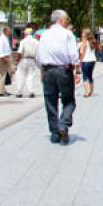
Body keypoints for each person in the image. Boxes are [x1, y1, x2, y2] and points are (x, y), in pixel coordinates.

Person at [35, 10, 80, 145]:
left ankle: (55, 133)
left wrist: (42, 69)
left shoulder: (45, 35)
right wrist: (77, 70)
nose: (66, 22)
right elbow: (73, 54)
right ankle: (63, 124)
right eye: (66, 20)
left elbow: (38, 55)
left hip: (48, 70)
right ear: (61, 20)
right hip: (63, 70)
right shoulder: (67, 34)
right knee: (68, 100)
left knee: (50, 101)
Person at [14, 27, 39, 98]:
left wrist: (17, 62)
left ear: (26, 34)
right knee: (31, 76)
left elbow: (19, 52)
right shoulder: (36, 42)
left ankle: (19, 92)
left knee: (20, 75)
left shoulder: (23, 41)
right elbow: (38, 53)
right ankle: (31, 91)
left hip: (24, 59)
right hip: (32, 60)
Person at [79, 29, 98, 97]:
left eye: (83, 33)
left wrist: (80, 61)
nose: (82, 34)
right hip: (93, 60)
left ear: (85, 34)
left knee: (85, 77)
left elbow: (82, 53)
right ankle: (92, 92)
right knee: (90, 76)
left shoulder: (84, 43)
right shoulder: (93, 42)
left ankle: (86, 92)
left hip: (86, 60)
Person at [0, 26, 14, 97]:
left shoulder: (5, 38)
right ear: (6, 31)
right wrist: (3, 58)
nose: (10, 33)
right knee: (2, 74)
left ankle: (3, 90)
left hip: (6, 57)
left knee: (5, 74)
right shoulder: (1, 39)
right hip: (3, 57)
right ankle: (1, 91)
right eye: (9, 31)